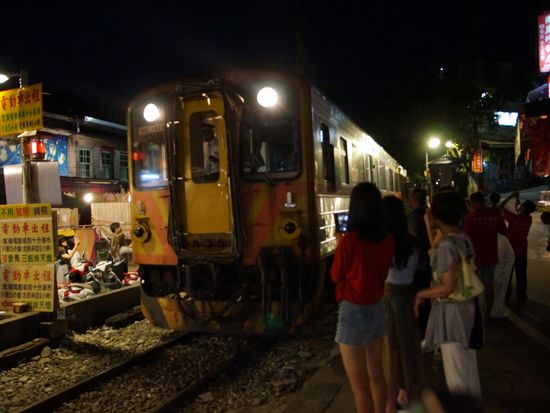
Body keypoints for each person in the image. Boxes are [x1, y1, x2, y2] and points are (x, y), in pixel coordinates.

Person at [331, 182, 394, 413]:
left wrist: (339, 245)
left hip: (353, 312)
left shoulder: (348, 241)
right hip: (376, 308)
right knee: (377, 377)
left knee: (360, 388)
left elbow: (335, 275)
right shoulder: (387, 239)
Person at [414, 190, 483, 400]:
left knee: (456, 375)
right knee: (468, 367)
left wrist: (421, 294)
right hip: (468, 309)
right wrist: (429, 227)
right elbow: (436, 251)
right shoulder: (462, 238)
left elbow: (447, 286)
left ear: (437, 215)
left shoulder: (446, 244)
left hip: (452, 314)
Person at [382, 195, 424, 412]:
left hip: (389, 296)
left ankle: (394, 393)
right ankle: (408, 387)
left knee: (391, 347)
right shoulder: (413, 242)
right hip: (407, 294)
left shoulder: (383, 243)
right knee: (407, 343)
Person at [463, 191, 501, 314]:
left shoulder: (471, 217)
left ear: (473, 202)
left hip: (476, 257)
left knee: (476, 285)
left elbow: (465, 236)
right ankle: (488, 312)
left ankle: (478, 313)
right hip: (491, 255)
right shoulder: (494, 214)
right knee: (489, 284)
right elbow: (503, 231)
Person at [498, 192, 536, 303]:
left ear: (524, 208)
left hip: (511, 251)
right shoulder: (528, 218)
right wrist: (517, 198)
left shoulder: (514, 217)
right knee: (521, 275)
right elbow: (518, 209)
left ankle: (506, 296)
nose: (520, 205)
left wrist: (511, 196)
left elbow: (501, 206)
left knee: (507, 274)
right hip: (522, 252)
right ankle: (521, 297)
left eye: (522, 205)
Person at [407, 188, 432, 335]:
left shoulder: (413, 217)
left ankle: (421, 329)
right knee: (426, 297)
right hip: (426, 262)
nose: (408, 200)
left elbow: (413, 238)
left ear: (415, 200)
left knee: (419, 296)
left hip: (418, 264)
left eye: (410, 197)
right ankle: (426, 326)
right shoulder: (427, 214)